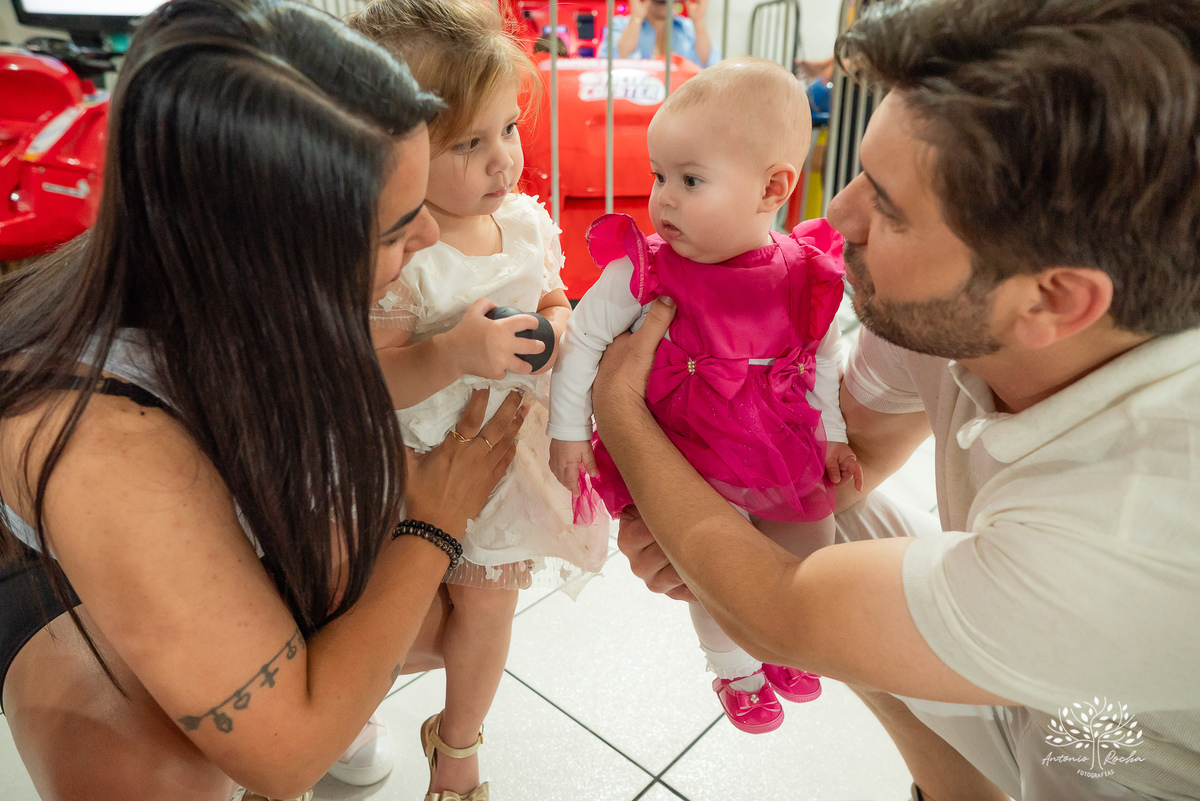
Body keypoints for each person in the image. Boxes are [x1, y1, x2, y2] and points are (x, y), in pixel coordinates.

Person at [594, 0, 1200, 799]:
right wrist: (707, 538)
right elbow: (844, 463)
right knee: (817, 502)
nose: (835, 215)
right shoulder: (940, 317)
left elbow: (781, 608)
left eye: (887, 204)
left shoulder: (1135, 529)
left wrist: (621, 414)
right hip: (1036, 675)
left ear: (1051, 299)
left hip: (1122, 754)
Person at [0, 1, 530, 799]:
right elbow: (283, 760)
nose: (427, 241)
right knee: (172, 782)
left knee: (467, 613)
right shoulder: (103, 446)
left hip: (219, 494)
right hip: (47, 569)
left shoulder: (231, 280)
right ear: (273, 254)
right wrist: (436, 520)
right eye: (394, 230)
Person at [549, 57, 862, 735]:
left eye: (690, 180)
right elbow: (580, 345)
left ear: (772, 187)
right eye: (660, 176)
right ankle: (733, 669)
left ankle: (785, 636)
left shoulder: (799, 269)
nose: (662, 198)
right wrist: (567, 430)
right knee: (708, 569)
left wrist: (832, 431)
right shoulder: (647, 266)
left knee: (813, 536)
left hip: (780, 439)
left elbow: (822, 356)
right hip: (687, 451)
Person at [347, 1, 610, 798]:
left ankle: (456, 745)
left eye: (508, 128)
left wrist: (557, 329)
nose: (505, 160)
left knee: (487, 608)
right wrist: (455, 351)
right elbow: (373, 377)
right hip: (406, 464)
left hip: (500, 458)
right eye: (470, 143)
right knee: (381, 614)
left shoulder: (527, 224)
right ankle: (342, 713)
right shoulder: (395, 253)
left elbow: (559, 296)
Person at [596, 0, 719, 69]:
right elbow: (613, 63)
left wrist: (699, 21)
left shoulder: (689, 28)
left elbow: (710, 66)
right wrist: (637, 17)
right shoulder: (619, 25)